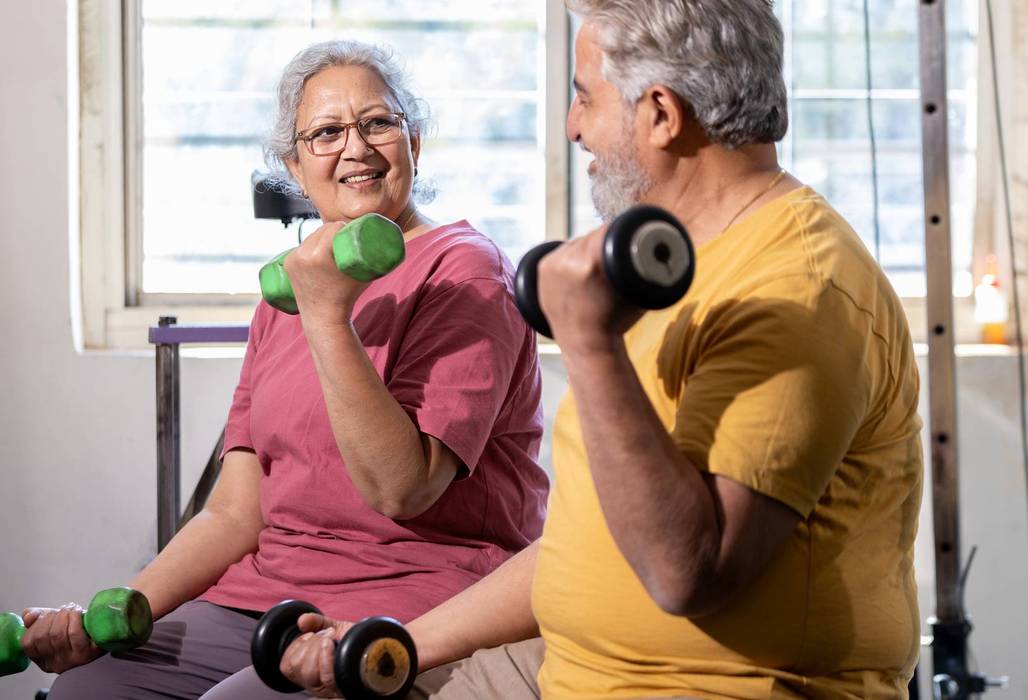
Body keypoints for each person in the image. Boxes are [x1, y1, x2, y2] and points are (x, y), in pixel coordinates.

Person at [282, 2, 925, 698]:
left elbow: (686, 573)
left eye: (584, 97)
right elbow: (580, 544)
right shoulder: (677, 264)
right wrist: (396, 644)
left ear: (659, 114)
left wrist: (588, 342)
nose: (572, 127)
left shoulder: (798, 291)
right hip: (567, 664)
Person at [25, 40, 549, 699]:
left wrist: (326, 313)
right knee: (88, 691)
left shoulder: (464, 273)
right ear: (295, 167)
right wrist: (114, 613)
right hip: (262, 599)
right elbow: (234, 515)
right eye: (326, 132)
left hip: (411, 600)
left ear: (413, 140)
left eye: (378, 123)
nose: (354, 148)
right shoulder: (289, 295)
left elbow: (402, 488)